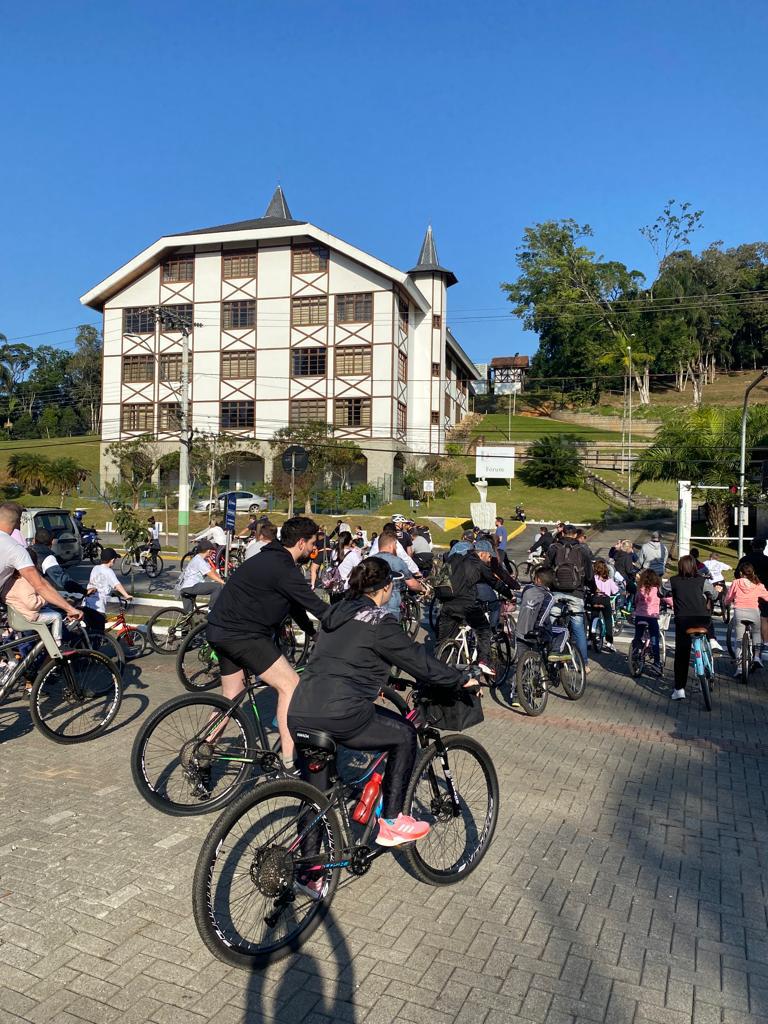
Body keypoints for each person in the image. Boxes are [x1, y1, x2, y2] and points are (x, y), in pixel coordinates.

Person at [288, 556, 473, 857]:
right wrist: (459, 679)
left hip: (300, 710)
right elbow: (418, 660)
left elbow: (347, 659)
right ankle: (392, 822)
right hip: (340, 713)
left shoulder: (335, 614)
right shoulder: (379, 622)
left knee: (316, 798)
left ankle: (310, 870)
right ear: (386, 588)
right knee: (402, 734)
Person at [206, 516, 329, 763]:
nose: (315, 549)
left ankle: (203, 750)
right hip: (244, 635)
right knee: (291, 686)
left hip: (220, 630)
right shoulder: (283, 567)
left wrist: (313, 632)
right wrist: (350, 625)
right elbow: (318, 607)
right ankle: (289, 761)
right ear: (302, 543)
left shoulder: (270, 558)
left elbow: (294, 605)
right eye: (313, 542)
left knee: (231, 697)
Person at [437, 538, 512, 673]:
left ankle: (439, 669)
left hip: (447, 604)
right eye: (489, 556)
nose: (489, 560)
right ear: (482, 553)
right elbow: (494, 582)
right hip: (466, 605)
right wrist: (510, 595)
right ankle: (483, 661)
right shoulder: (478, 563)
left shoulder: (456, 559)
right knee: (484, 629)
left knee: (443, 641)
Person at [669, 553, 720, 701]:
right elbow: (714, 596)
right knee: (707, 625)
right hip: (702, 619)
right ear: (694, 566)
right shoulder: (702, 581)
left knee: (681, 654)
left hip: (683, 621)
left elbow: (661, 592)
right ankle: (711, 643)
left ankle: (679, 689)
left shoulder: (673, 581)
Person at [546, 523, 593, 673]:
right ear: (574, 535)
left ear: (562, 533)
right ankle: (583, 664)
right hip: (576, 593)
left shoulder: (553, 548)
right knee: (578, 629)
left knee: (550, 624)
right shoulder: (583, 549)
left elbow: (546, 568)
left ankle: (549, 654)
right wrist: (592, 588)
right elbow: (590, 575)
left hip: (556, 591)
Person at [724, 562, 768, 677]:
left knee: (739, 639)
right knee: (757, 632)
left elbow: (729, 597)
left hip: (739, 612)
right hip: (754, 612)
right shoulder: (757, 584)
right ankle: (757, 656)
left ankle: (739, 668)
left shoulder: (736, 582)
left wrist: (726, 603)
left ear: (740, 573)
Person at [514, 567, 568, 658]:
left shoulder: (527, 588)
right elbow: (542, 616)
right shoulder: (549, 596)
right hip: (535, 632)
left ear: (538, 579)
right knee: (564, 630)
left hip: (520, 631)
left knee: (522, 660)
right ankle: (555, 653)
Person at [376, 531, 426, 620]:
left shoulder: (369, 560)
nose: (396, 548)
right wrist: (422, 589)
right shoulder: (397, 561)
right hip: (390, 607)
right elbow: (411, 584)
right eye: (396, 545)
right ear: (391, 545)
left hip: (371, 606)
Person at [84, 548, 133, 633]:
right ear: (112, 560)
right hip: (98, 608)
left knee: (90, 629)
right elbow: (117, 584)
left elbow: (100, 584)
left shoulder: (95, 568)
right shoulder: (109, 571)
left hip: (86, 603)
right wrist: (126, 595)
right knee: (98, 633)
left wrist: (111, 592)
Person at [632, 568, 667, 674]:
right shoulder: (657, 590)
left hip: (640, 617)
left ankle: (635, 650)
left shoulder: (640, 589)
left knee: (638, 636)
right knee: (655, 640)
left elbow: (636, 601)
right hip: (652, 617)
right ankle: (656, 663)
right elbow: (667, 599)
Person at [178, 539, 225, 610]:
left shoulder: (201, 559)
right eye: (212, 551)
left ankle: (185, 620)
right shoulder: (199, 561)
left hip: (185, 587)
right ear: (208, 551)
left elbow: (212, 571)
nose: (212, 553)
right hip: (191, 587)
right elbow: (210, 574)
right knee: (217, 587)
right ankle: (211, 610)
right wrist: (222, 582)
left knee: (188, 614)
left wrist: (221, 578)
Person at [590, 558, 618, 652]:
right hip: (605, 600)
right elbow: (615, 591)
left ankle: (590, 640)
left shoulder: (593, 578)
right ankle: (609, 643)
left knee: (593, 617)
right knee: (608, 619)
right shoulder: (609, 580)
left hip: (595, 599)